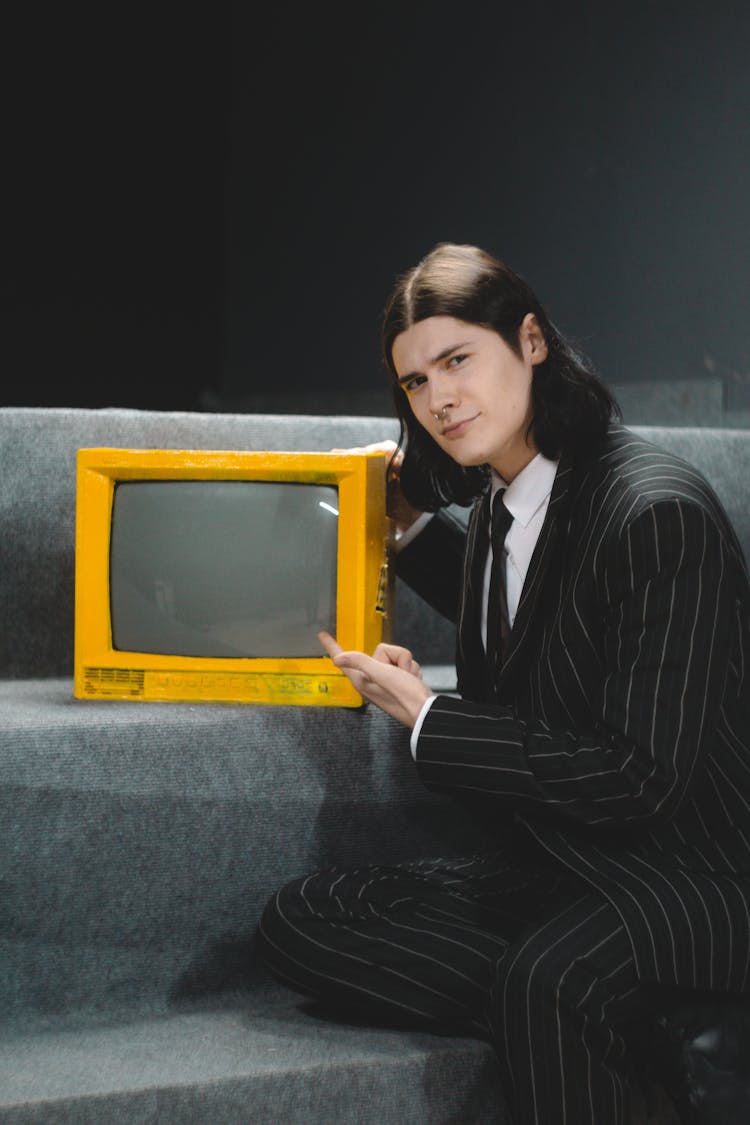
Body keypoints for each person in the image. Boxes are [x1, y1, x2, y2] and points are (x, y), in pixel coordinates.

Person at [257, 242, 750, 1124]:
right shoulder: (499, 502)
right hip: (563, 868)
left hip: (696, 878)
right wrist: (401, 529)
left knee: (545, 981)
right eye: (413, 382)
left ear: (529, 341)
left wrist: (430, 718)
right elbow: (540, 621)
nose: (438, 398)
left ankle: (578, 1008)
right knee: (307, 915)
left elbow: (639, 779)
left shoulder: (655, 513)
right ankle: (623, 1025)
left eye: (456, 360)